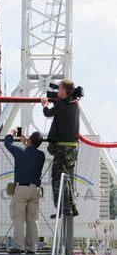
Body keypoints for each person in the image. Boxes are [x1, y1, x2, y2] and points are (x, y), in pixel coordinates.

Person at [41, 79, 80, 218]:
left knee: (57, 179)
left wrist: (45, 104)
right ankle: (72, 206)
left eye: (60, 88)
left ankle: (62, 209)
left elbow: (47, 114)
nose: (58, 91)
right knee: (67, 178)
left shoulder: (61, 105)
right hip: (73, 148)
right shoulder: (75, 104)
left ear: (64, 90)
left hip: (62, 148)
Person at [4, 130, 45, 254]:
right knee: (32, 219)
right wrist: (28, 143)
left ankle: (19, 246)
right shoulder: (41, 155)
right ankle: (32, 247)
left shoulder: (21, 152)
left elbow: (7, 144)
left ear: (30, 141)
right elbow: (30, 154)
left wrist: (11, 133)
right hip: (35, 190)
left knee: (18, 218)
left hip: (21, 189)